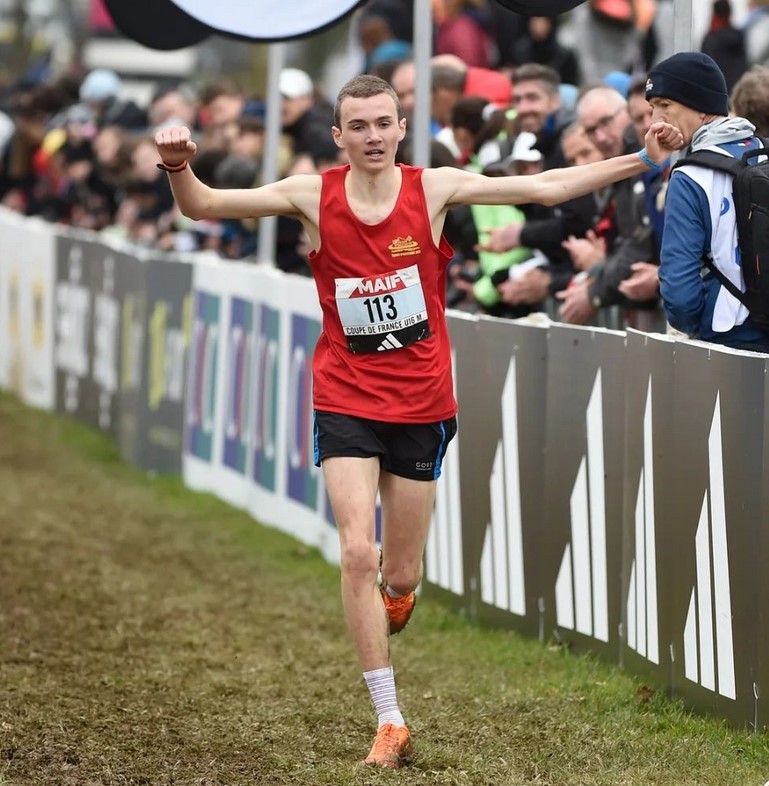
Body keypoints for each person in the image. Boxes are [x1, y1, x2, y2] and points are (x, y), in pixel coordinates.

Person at [154, 74, 682, 769]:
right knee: (356, 553)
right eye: (358, 126)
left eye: (383, 123)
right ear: (338, 136)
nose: (372, 136)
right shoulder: (312, 194)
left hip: (421, 404)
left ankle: (398, 596)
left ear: (400, 128)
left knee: (398, 572)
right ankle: (389, 718)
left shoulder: (430, 188)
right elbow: (205, 205)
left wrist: (642, 162)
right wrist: (175, 164)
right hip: (344, 392)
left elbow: (547, 188)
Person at [646, 51, 769, 352]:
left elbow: (680, 292)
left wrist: (692, 326)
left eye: (665, 105)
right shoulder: (764, 153)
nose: (655, 120)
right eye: (652, 107)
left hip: (728, 337)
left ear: (700, 107)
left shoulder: (690, 175)